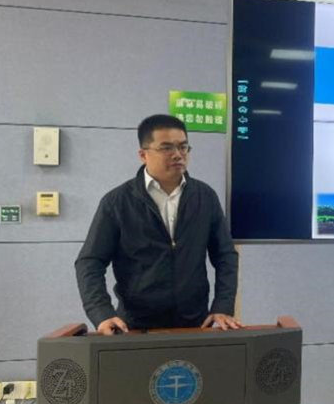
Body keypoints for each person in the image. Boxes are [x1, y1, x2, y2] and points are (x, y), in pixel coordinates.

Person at [75, 114, 241, 334]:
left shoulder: (204, 196)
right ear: (143, 155)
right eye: (166, 148)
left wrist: (223, 306)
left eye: (183, 147)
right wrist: (102, 313)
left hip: (195, 324)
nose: (178, 155)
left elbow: (225, 255)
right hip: (136, 327)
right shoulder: (118, 202)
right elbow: (90, 261)